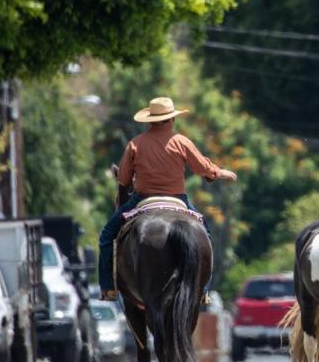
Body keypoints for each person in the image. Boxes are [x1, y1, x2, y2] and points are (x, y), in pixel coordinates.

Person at [98, 97, 237, 302]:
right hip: (177, 198)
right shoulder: (181, 141)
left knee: (107, 236)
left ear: (151, 120)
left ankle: (109, 288)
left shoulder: (135, 144)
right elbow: (203, 169)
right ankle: (203, 290)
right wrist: (220, 172)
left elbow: (124, 178)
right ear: (171, 120)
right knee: (204, 234)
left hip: (141, 199)